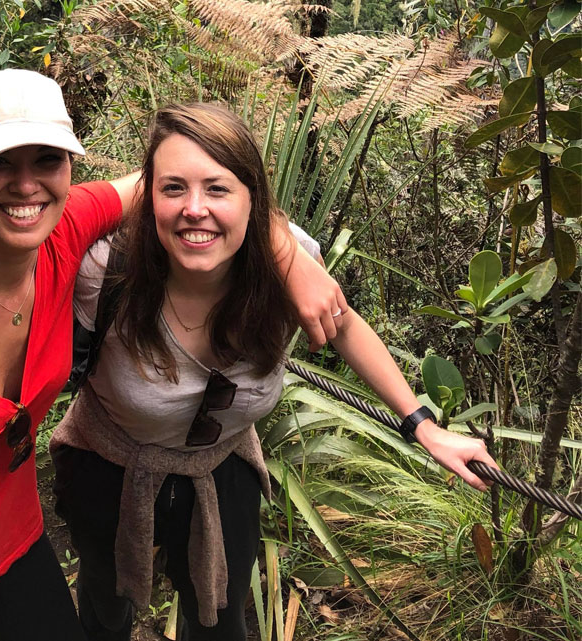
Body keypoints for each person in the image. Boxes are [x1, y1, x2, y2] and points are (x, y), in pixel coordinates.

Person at [0, 72, 344, 641]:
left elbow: (191, 179)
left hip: (2, 542)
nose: (26, 185)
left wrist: (287, 253)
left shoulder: (62, 238)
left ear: (69, 171)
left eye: (46, 160)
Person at [50, 102, 500, 641]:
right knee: (103, 605)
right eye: (174, 189)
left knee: (220, 619)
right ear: (150, 197)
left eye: (218, 189)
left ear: (252, 201)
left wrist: (424, 426)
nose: (195, 208)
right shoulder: (107, 271)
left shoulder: (289, 269)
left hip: (219, 468)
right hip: (108, 461)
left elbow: (344, 325)